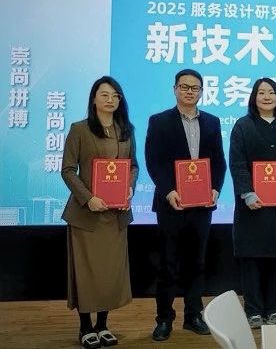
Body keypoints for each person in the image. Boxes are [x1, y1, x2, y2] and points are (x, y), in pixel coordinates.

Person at [145, 69, 226, 341]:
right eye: (184, 87)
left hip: (202, 206)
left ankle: (193, 315)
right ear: (175, 89)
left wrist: (215, 188)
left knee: (197, 263)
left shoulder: (212, 122)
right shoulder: (159, 121)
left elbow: (219, 161)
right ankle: (164, 319)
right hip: (172, 204)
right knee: (168, 264)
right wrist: (169, 191)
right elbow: (154, 161)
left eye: (195, 88)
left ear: (201, 91)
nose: (189, 91)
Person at [61, 76, 138, 349]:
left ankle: (102, 325)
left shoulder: (126, 130)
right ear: (94, 99)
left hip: (115, 215)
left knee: (109, 274)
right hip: (87, 216)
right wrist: (88, 198)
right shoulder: (79, 129)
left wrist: (129, 188)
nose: (110, 100)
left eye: (115, 95)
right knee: (87, 274)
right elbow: (68, 170)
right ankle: (85, 327)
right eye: (104, 94)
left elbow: (132, 166)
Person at [229, 78, 276, 328]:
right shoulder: (242, 126)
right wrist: (247, 193)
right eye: (261, 93)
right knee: (251, 259)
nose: (267, 97)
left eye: (271, 92)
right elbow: (237, 163)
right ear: (253, 98)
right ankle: (253, 310)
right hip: (251, 207)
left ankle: (273, 308)